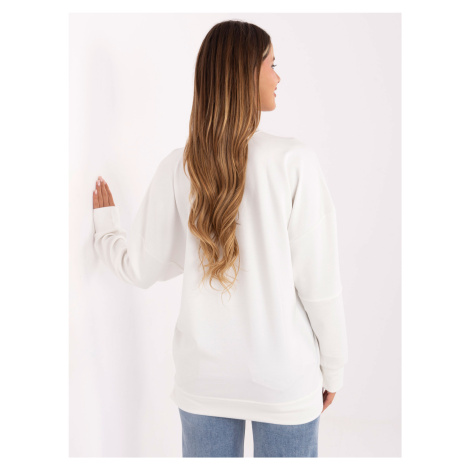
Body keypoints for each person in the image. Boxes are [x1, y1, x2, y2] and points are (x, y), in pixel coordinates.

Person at [92, 19, 348, 458]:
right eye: (271, 64)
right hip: (283, 383)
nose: (278, 77)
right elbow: (320, 285)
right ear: (245, 74)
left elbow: (141, 268)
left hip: (203, 384)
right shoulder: (294, 162)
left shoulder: (180, 167)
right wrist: (334, 368)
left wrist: (106, 229)